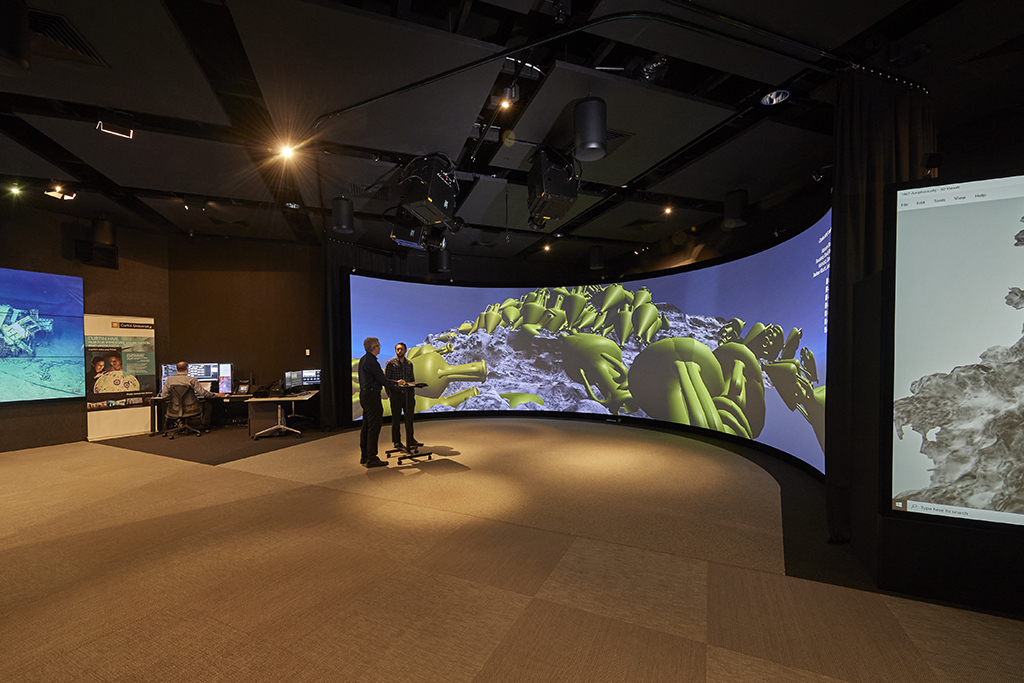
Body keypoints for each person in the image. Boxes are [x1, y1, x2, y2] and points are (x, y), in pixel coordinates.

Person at [358, 337, 404, 467]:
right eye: (379, 345)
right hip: (372, 396)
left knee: (366, 426)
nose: (380, 347)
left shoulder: (363, 359)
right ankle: (372, 458)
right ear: (375, 348)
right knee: (374, 427)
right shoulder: (372, 362)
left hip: (365, 395)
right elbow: (382, 380)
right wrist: (397, 383)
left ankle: (365, 456)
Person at [159, 361, 225, 431]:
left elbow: (164, 396)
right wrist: (217, 395)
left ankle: (179, 423)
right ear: (187, 369)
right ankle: (204, 426)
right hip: (192, 408)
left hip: (174, 409)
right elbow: (203, 393)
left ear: (176, 370)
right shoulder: (192, 380)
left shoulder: (169, 381)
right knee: (208, 404)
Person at [385, 342, 420, 450]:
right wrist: (389, 395)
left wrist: (412, 394)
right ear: (395, 351)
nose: (399, 351)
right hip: (396, 395)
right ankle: (397, 441)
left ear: (405, 351)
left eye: (401, 349)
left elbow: (412, 379)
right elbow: (386, 381)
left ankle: (410, 439)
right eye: (397, 349)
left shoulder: (409, 364)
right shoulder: (390, 364)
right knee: (396, 419)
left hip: (408, 395)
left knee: (409, 419)